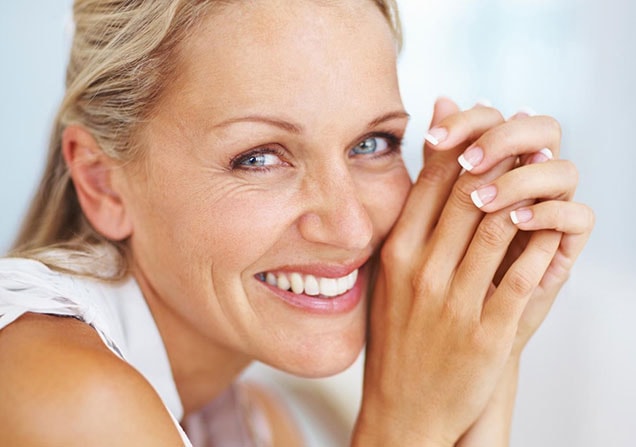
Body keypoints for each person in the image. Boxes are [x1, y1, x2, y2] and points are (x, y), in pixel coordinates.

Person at [0, 0, 594, 446]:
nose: (349, 226)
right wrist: (406, 422)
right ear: (103, 182)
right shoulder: (64, 397)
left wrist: (493, 336)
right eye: (258, 157)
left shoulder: (258, 423)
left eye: (372, 142)